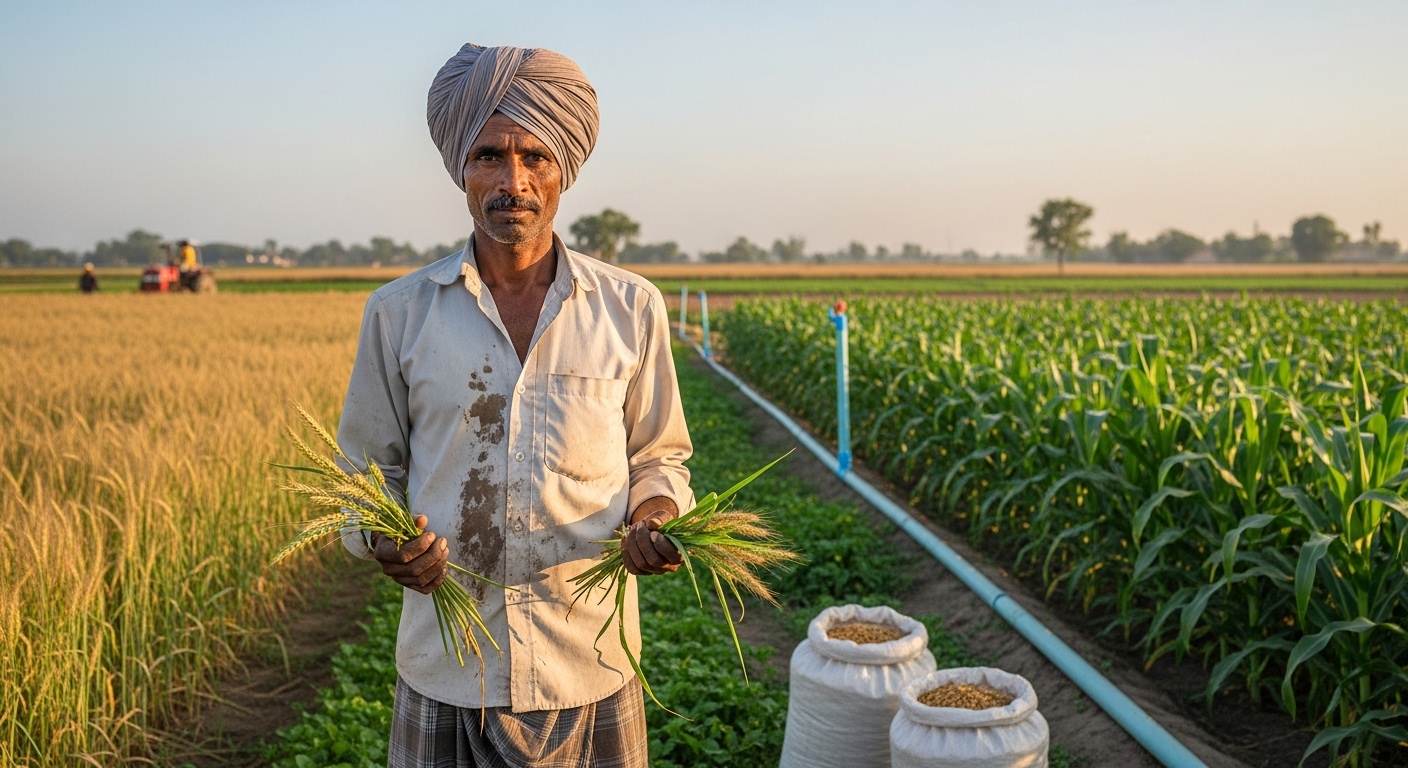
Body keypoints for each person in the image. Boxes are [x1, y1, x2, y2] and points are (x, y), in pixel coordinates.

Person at [336, 43, 692, 768]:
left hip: (588, 661)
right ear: (461, 170)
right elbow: (366, 477)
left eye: (536, 157)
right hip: (448, 668)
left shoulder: (630, 308)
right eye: (490, 156)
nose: (513, 181)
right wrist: (385, 543)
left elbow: (660, 456)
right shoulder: (400, 314)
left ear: (565, 169)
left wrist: (654, 518)